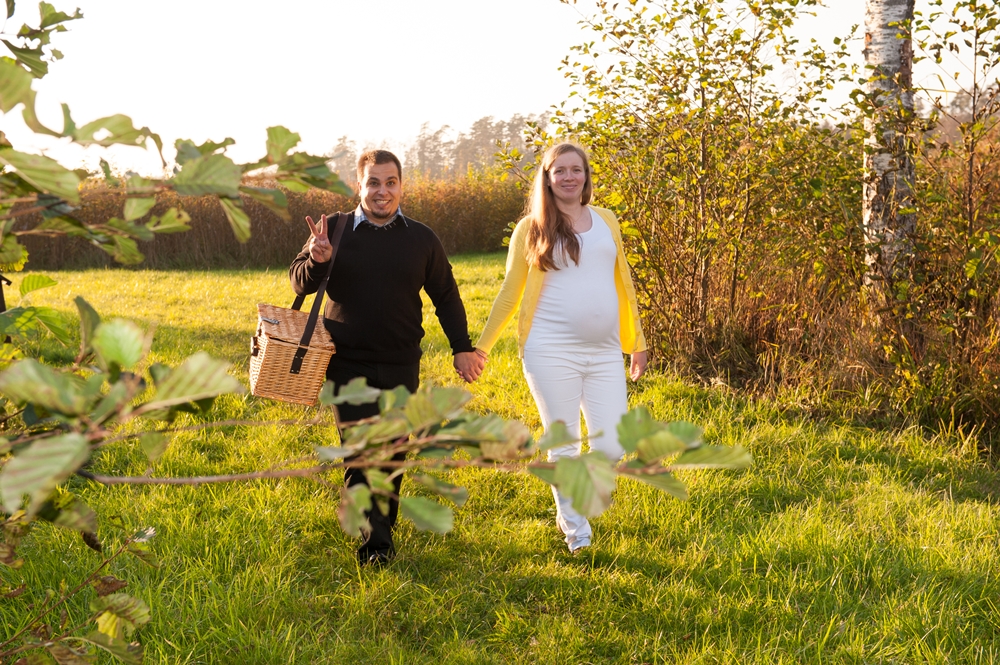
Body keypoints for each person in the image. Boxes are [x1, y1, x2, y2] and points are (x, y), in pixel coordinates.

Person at [289, 149, 485, 566]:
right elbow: (300, 282)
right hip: (346, 363)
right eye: (374, 182)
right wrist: (317, 260)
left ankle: (380, 523)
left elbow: (446, 296)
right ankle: (376, 546)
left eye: (390, 182)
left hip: (401, 363)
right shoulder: (334, 229)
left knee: (393, 452)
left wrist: (461, 348)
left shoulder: (422, 239)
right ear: (359, 186)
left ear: (400, 185)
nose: (383, 191)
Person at [475, 142, 647, 553]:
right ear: (548, 179)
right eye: (560, 171)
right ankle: (577, 535)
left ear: (586, 176)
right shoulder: (531, 228)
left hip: (605, 351)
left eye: (576, 169)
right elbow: (510, 292)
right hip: (549, 350)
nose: (569, 177)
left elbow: (624, 282)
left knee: (611, 445)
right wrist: (481, 347)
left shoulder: (606, 220)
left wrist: (637, 342)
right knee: (565, 443)